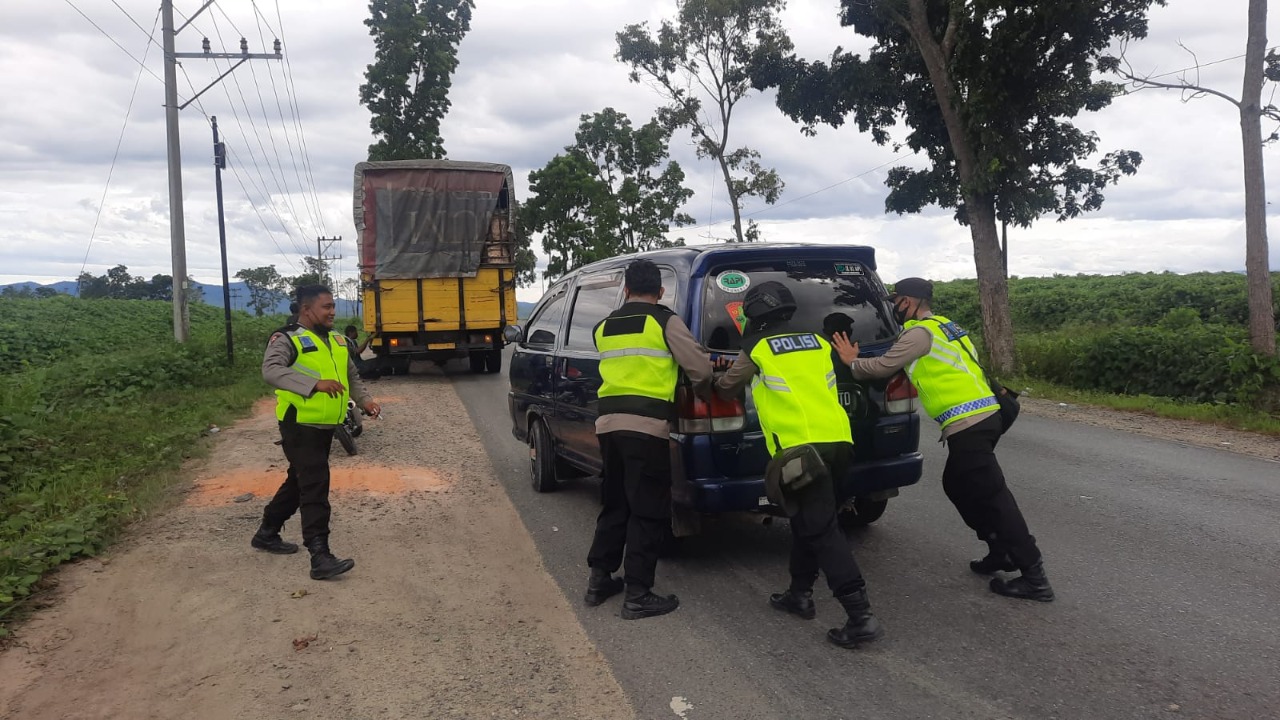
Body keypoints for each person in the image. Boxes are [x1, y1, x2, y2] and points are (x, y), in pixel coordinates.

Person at [832, 277, 1053, 602]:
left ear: (910, 300)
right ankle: (998, 550)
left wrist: (852, 360)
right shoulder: (946, 326)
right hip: (986, 417)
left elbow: (881, 367)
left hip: (970, 424)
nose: (894, 307)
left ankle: (1034, 575)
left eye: (897, 301)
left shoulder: (919, 333)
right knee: (957, 484)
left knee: (994, 497)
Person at [714, 281, 885, 648]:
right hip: (840, 442)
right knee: (811, 520)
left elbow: (728, 387)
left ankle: (860, 615)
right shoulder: (818, 342)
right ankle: (799, 593)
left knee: (822, 528)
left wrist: (710, 374)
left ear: (756, 312)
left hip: (801, 451)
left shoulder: (757, 348)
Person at [585, 259, 714, 620]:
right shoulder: (664, 321)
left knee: (615, 502)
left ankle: (599, 581)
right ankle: (638, 594)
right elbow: (700, 369)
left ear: (625, 289)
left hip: (608, 426)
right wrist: (705, 386)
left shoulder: (604, 327)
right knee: (647, 509)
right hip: (646, 428)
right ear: (660, 292)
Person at [252, 285, 382, 580]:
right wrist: (313, 384)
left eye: (333, 306)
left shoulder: (337, 339)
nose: (332, 312)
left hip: (326, 424)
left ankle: (267, 532)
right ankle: (319, 555)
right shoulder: (286, 337)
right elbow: (271, 370)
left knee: (300, 482)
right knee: (315, 484)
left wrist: (365, 401)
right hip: (299, 424)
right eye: (326, 307)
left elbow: (350, 374)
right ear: (306, 309)